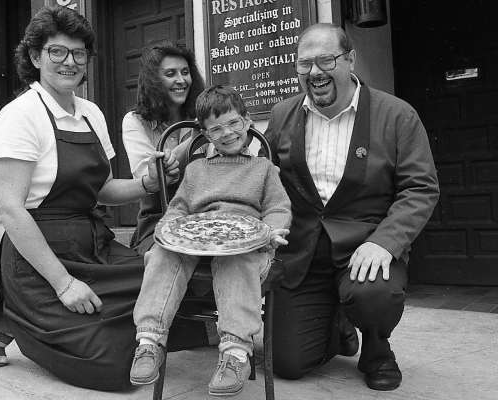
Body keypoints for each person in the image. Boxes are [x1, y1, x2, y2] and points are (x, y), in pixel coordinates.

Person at [0, 6, 201, 391]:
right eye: (57, 52)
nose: (70, 62)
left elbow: (103, 189)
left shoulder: (90, 113)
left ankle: (36, 313)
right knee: (115, 366)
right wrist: (64, 284)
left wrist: (148, 182)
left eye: (79, 53)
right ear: (35, 57)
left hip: (93, 245)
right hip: (42, 255)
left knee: (165, 278)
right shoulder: (18, 117)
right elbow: (10, 211)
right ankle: (9, 311)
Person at [263, 23, 440, 391]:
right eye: (304, 64)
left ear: (350, 60)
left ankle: (376, 347)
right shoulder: (282, 115)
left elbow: (420, 188)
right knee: (287, 363)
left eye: (326, 60)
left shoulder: (397, 115)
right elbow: (265, 175)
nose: (315, 72)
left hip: (364, 247)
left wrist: (385, 242)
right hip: (304, 254)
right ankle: (337, 324)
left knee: (374, 295)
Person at [129, 85, 292, 397]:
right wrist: (168, 229)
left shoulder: (263, 169)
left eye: (233, 123)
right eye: (216, 129)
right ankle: (149, 341)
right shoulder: (196, 170)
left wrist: (272, 230)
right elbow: (178, 209)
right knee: (162, 254)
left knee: (236, 260)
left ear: (247, 121)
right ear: (204, 134)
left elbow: (277, 208)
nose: (227, 133)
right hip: (197, 239)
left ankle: (235, 352)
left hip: (247, 245)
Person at [122, 41, 205, 256]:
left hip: (206, 215)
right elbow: (147, 174)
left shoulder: (204, 114)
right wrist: (198, 137)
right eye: (170, 74)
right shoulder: (135, 121)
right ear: (154, 80)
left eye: (185, 72)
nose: (181, 80)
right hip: (158, 219)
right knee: (167, 256)